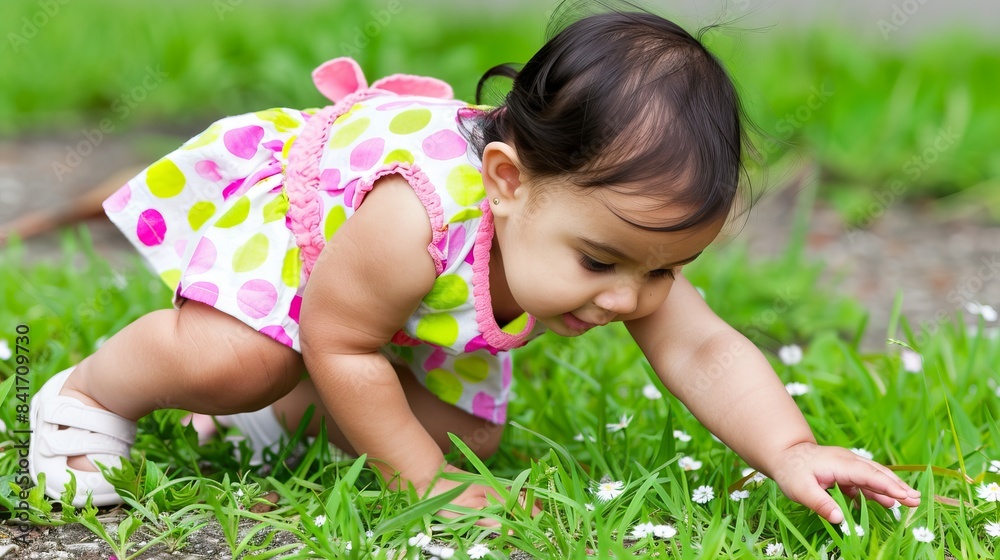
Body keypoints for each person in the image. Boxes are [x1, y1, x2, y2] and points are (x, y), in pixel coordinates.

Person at [30, 6, 920, 523]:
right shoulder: (414, 215)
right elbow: (338, 339)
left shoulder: (616, 241)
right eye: (601, 260)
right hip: (312, 247)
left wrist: (790, 448)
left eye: (661, 271)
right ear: (506, 180)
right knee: (246, 359)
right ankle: (89, 394)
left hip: (382, 300)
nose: (628, 298)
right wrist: (425, 486)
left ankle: (283, 418)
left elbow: (705, 352)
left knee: (471, 438)